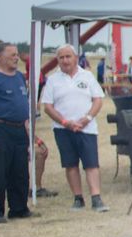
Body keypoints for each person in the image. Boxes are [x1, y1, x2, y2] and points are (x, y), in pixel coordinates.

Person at [40, 44, 107, 212]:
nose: (65, 60)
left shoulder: (87, 76)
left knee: (91, 164)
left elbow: (98, 99)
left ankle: (96, 198)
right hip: (63, 129)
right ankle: (78, 198)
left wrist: (87, 118)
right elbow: (47, 106)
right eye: (61, 57)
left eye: (68, 56)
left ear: (76, 57)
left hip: (87, 128)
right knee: (70, 165)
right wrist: (64, 122)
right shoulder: (53, 80)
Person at [0, 43, 36, 222]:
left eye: (17, 54)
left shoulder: (19, 77)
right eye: (12, 55)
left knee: (20, 170)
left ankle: (18, 208)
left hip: (19, 129)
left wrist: (27, 127)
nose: (17, 58)